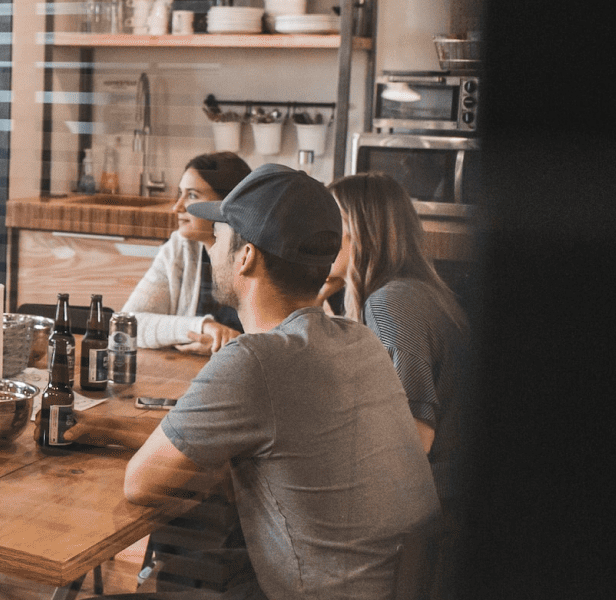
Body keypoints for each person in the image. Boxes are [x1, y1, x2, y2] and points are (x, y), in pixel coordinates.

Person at [73, 165, 437, 600]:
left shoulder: (253, 361)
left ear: (246, 256)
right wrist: (105, 428)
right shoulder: (359, 341)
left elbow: (140, 482)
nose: (210, 244)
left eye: (219, 233)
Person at [327, 172, 470, 484]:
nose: (317, 238)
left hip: (435, 507)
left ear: (362, 231)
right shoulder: (413, 291)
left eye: (329, 224)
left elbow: (413, 443)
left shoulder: (391, 303)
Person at [122, 152, 249, 354]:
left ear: (227, 203)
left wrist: (228, 345)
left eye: (192, 195)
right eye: (180, 194)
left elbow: (281, 343)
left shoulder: (259, 255)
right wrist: (203, 327)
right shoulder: (179, 248)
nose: (177, 207)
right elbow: (125, 326)